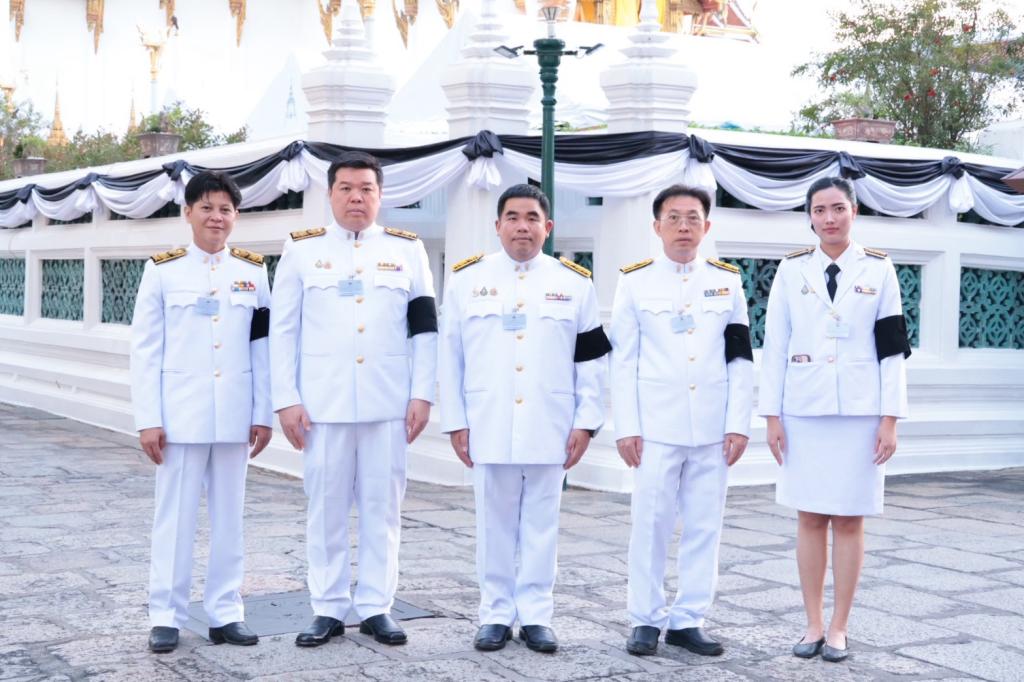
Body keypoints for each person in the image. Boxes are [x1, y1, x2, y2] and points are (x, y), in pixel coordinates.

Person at [270, 151, 437, 648]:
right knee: (325, 507)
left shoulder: (408, 250)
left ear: (380, 195)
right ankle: (327, 607)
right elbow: (284, 331)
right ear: (330, 194)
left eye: (366, 188)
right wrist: (286, 399)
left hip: (388, 403)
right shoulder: (302, 251)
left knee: (383, 508)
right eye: (346, 188)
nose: (356, 197)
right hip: (323, 405)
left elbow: (425, 329)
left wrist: (423, 393)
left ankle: (376, 607)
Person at [438, 184, 611, 653]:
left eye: (532, 217)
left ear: (547, 227)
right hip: (488, 419)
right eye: (512, 217)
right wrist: (456, 421)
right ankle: (494, 613)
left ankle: (536, 614)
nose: (522, 225)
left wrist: (586, 422)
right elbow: (449, 356)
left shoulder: (574, 283)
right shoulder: (467, 281)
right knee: (493, 523)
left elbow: (592, 362)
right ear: (497, 226)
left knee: (542, 522)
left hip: (550, 421)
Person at [760, 176, 910, 663]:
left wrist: (890, 419)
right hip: (804, 410)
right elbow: (775, 344)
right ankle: (812, 623)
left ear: (854, 212)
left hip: (859, 413)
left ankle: (841, 625)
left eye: (838, 208)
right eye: (820, 209)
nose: (829, 218)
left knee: (848, 519)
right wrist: (771, 416)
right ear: (809, 216)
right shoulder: (790, 270)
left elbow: (892, 349)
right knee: (808, 516)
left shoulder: (880, 270)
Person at [131, 171, 272, 653]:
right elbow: (146, 350)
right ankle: (166, 615)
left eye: (226, 209)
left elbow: (262, 347)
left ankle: (226, 612)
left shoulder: (254, 271)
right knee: (175, 519)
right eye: (207, 207)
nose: (217, 217)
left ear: (236, 217)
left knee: (230, 518)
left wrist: (263, 412)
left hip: (234, 415)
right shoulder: (163, 270)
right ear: (187, 212)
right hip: (180, 417)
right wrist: (149, 417)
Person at [610, 185, 753, 657]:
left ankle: (689, 618)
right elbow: (624, 361)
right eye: (673, 218)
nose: (684, 227)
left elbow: (739, 358)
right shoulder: (634, 282)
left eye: (693, 218)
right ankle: (645, 619)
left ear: (707, 227)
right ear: (657, 227)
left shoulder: (727, 282)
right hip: (655, 428)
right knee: (649, 523)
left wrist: (738, 423)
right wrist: (627, 426)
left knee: (704, 526)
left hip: (712, 427)